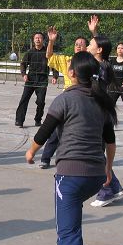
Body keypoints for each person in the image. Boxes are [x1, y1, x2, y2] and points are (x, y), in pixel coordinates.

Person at [25, 51, 117, 245]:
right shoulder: (101, 101)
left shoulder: (65, 99)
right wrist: (108, 170)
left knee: (67, 236)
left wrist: (31, 152)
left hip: (71, 177)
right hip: (95, 176)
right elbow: (110, 142)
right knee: (72, 232)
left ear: (72, 73)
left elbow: (44, 131)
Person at [85, 17, 123, 207]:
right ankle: (114, 186)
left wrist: (96, 34)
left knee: (96, 153)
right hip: (96, 112)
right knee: (97, 152)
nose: (87, 46)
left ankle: (106, 191)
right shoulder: (97, 64)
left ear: (99, 50)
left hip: (99, 114)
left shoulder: (102, 67)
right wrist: (94, 32)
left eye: (90, 44)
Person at [41, 27, 88, 169]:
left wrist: (94, 33)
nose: (79, 46)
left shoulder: (90, 63)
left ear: (87, 48)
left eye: (82, 44)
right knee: (56, 129)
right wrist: (51, 41)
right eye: (76, 44)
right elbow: (49, 56)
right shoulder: (67, 60)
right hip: (68, 99)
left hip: (85, 100)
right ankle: (45, 158)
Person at [14, 32, 58, 128]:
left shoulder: (47, 52)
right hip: (30, 78)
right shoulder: (30, 52)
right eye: (36, 38)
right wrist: (24, 74)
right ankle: (19, 120)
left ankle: (38, 119)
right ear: (33, 40)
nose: (38, 39)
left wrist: (55, 76)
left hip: (42, 79)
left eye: (40, 38)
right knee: (24, 99)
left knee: (40, 101)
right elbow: (23, 64)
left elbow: (54, 65)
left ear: (43, 40)